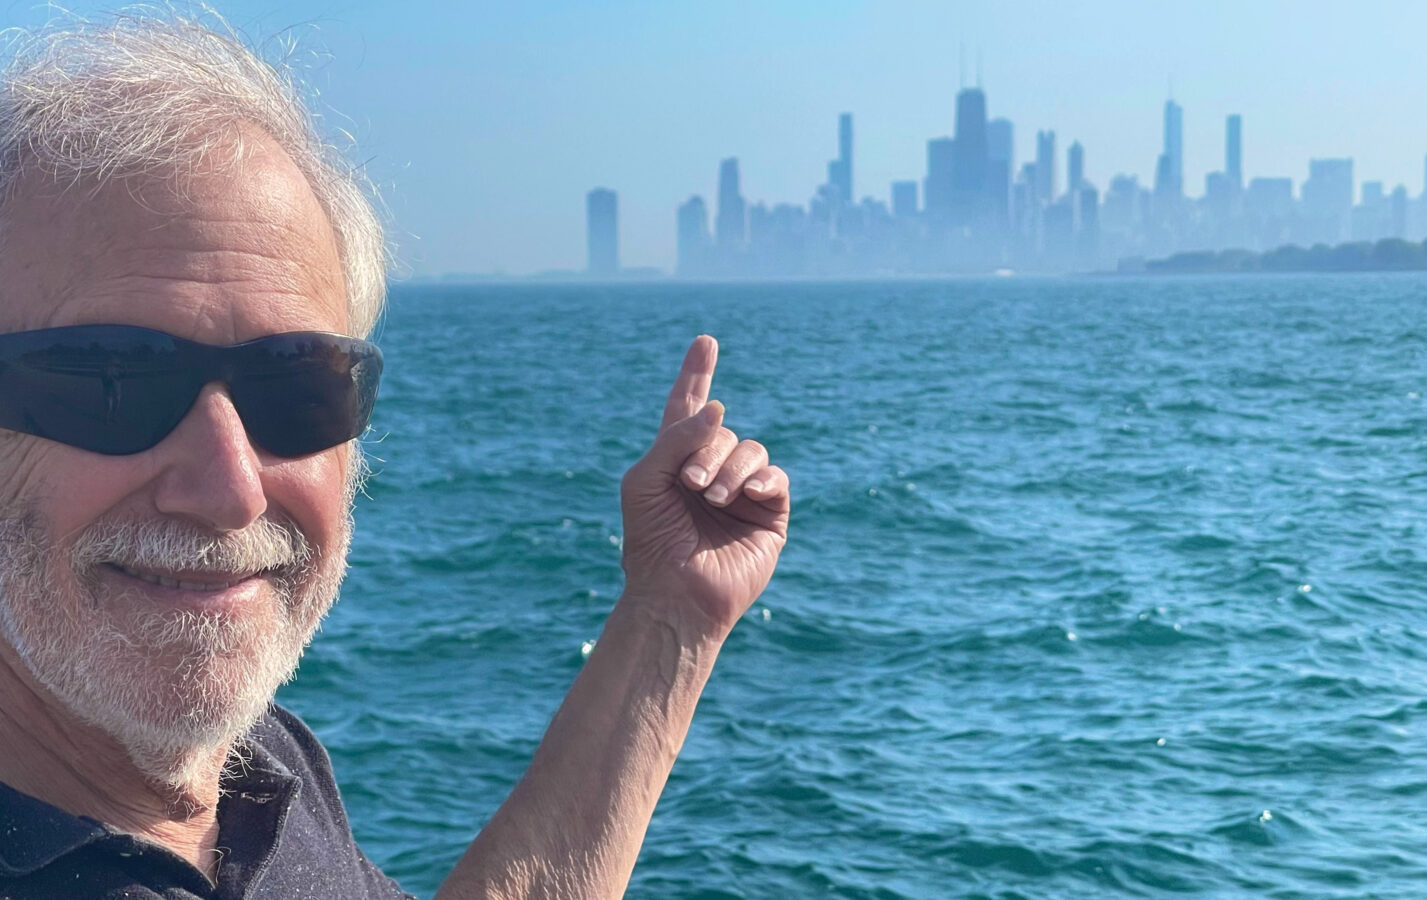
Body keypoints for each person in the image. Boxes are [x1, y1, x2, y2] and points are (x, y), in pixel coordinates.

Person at [0, 11, 789, 899]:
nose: (229, 489)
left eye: (295, 384)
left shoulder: (261, 773)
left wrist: (671, 616)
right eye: (114, 380)